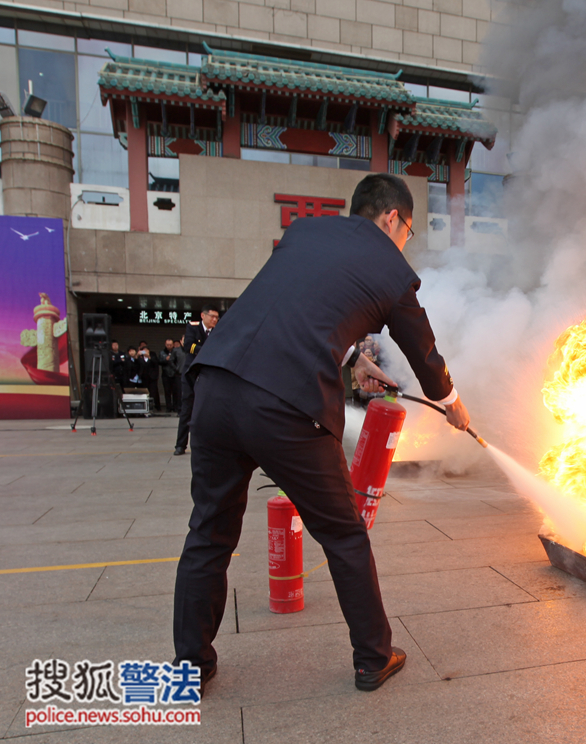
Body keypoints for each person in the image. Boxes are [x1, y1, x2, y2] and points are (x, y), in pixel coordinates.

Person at [173, 173, 470, 694]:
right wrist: (451, 403)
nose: (405, 243)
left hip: (216, 387)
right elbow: (424, 352)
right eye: (409, 231)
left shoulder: (305, 233)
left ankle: (190, 667)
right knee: (343, 533)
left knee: (209, 533)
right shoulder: (391, 266)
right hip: (286, 404)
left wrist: (354, 357)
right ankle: (374, 656)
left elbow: (293, 308)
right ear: (391, 218)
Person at [174, 306, 219, 455]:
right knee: (187, 409)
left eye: (216, 317)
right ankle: (180, 445)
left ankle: (208, 444)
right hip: (191, 374)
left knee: (208, 410)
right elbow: (189, 346)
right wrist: (208, 349)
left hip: (207, 374)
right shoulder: (193, 327)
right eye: (212, 316)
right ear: (203, 316)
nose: (214, 320)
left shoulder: (218, 331)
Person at [159, 339, 181, 412]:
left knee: (176, 392)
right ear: (165, 345)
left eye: (170, 345)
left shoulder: (176, 351)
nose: (169, 346)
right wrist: (166, 360)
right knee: (167, 391)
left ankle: (175, 407)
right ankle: (168, 407)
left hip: (175, 374)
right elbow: (159, 361)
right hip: (166, 374)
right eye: (167, 345)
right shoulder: (162, 352)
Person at [136, 344, 160, 411]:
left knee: (153, 393)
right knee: (145, 393)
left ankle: (154, 406)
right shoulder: (140, 359)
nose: (145, 352)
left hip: (152, 378)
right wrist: (137, 355)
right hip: (144, 378)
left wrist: (149, 357)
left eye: (146, 350)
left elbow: (156, 363)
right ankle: (145, 407)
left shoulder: (152, 357)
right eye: (144, 351)